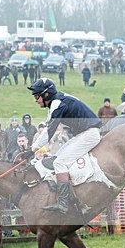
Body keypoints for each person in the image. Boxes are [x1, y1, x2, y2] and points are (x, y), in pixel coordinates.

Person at [29, 78, 103, 214]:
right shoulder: (55, 102)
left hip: (89, 134)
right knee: (57, 158)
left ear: (46, 94)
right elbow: (47, 128)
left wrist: (32, 150)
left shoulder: (57, 104)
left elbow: (48, 132)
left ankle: (64, 203)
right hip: (84, 133)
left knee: (59, 163)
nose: (36, 100)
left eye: (37, 96)